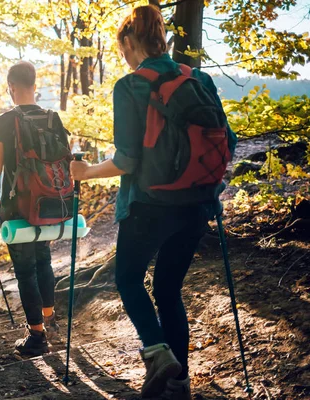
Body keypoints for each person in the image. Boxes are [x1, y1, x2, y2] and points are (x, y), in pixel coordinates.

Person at [70, 5, 237, 400]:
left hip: (149, 206)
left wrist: (87, 172)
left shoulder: (130, 86)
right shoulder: (199, 79)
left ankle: (157, 353)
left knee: (127, 278)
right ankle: (180, 385)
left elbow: (127, 159)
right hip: (198, 204)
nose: (123, 58)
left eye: (122, 50)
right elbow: (228, 142)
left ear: (130, 42)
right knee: (168, 290)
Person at [0, 61, 67, 357]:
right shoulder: (52, 118)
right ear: (35, 85)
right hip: (49, 200)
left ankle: (37, 336)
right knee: (43, 260)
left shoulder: (1, 123)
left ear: (10, 88)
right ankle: (49, 320)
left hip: (17, 205)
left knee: (25, 270)